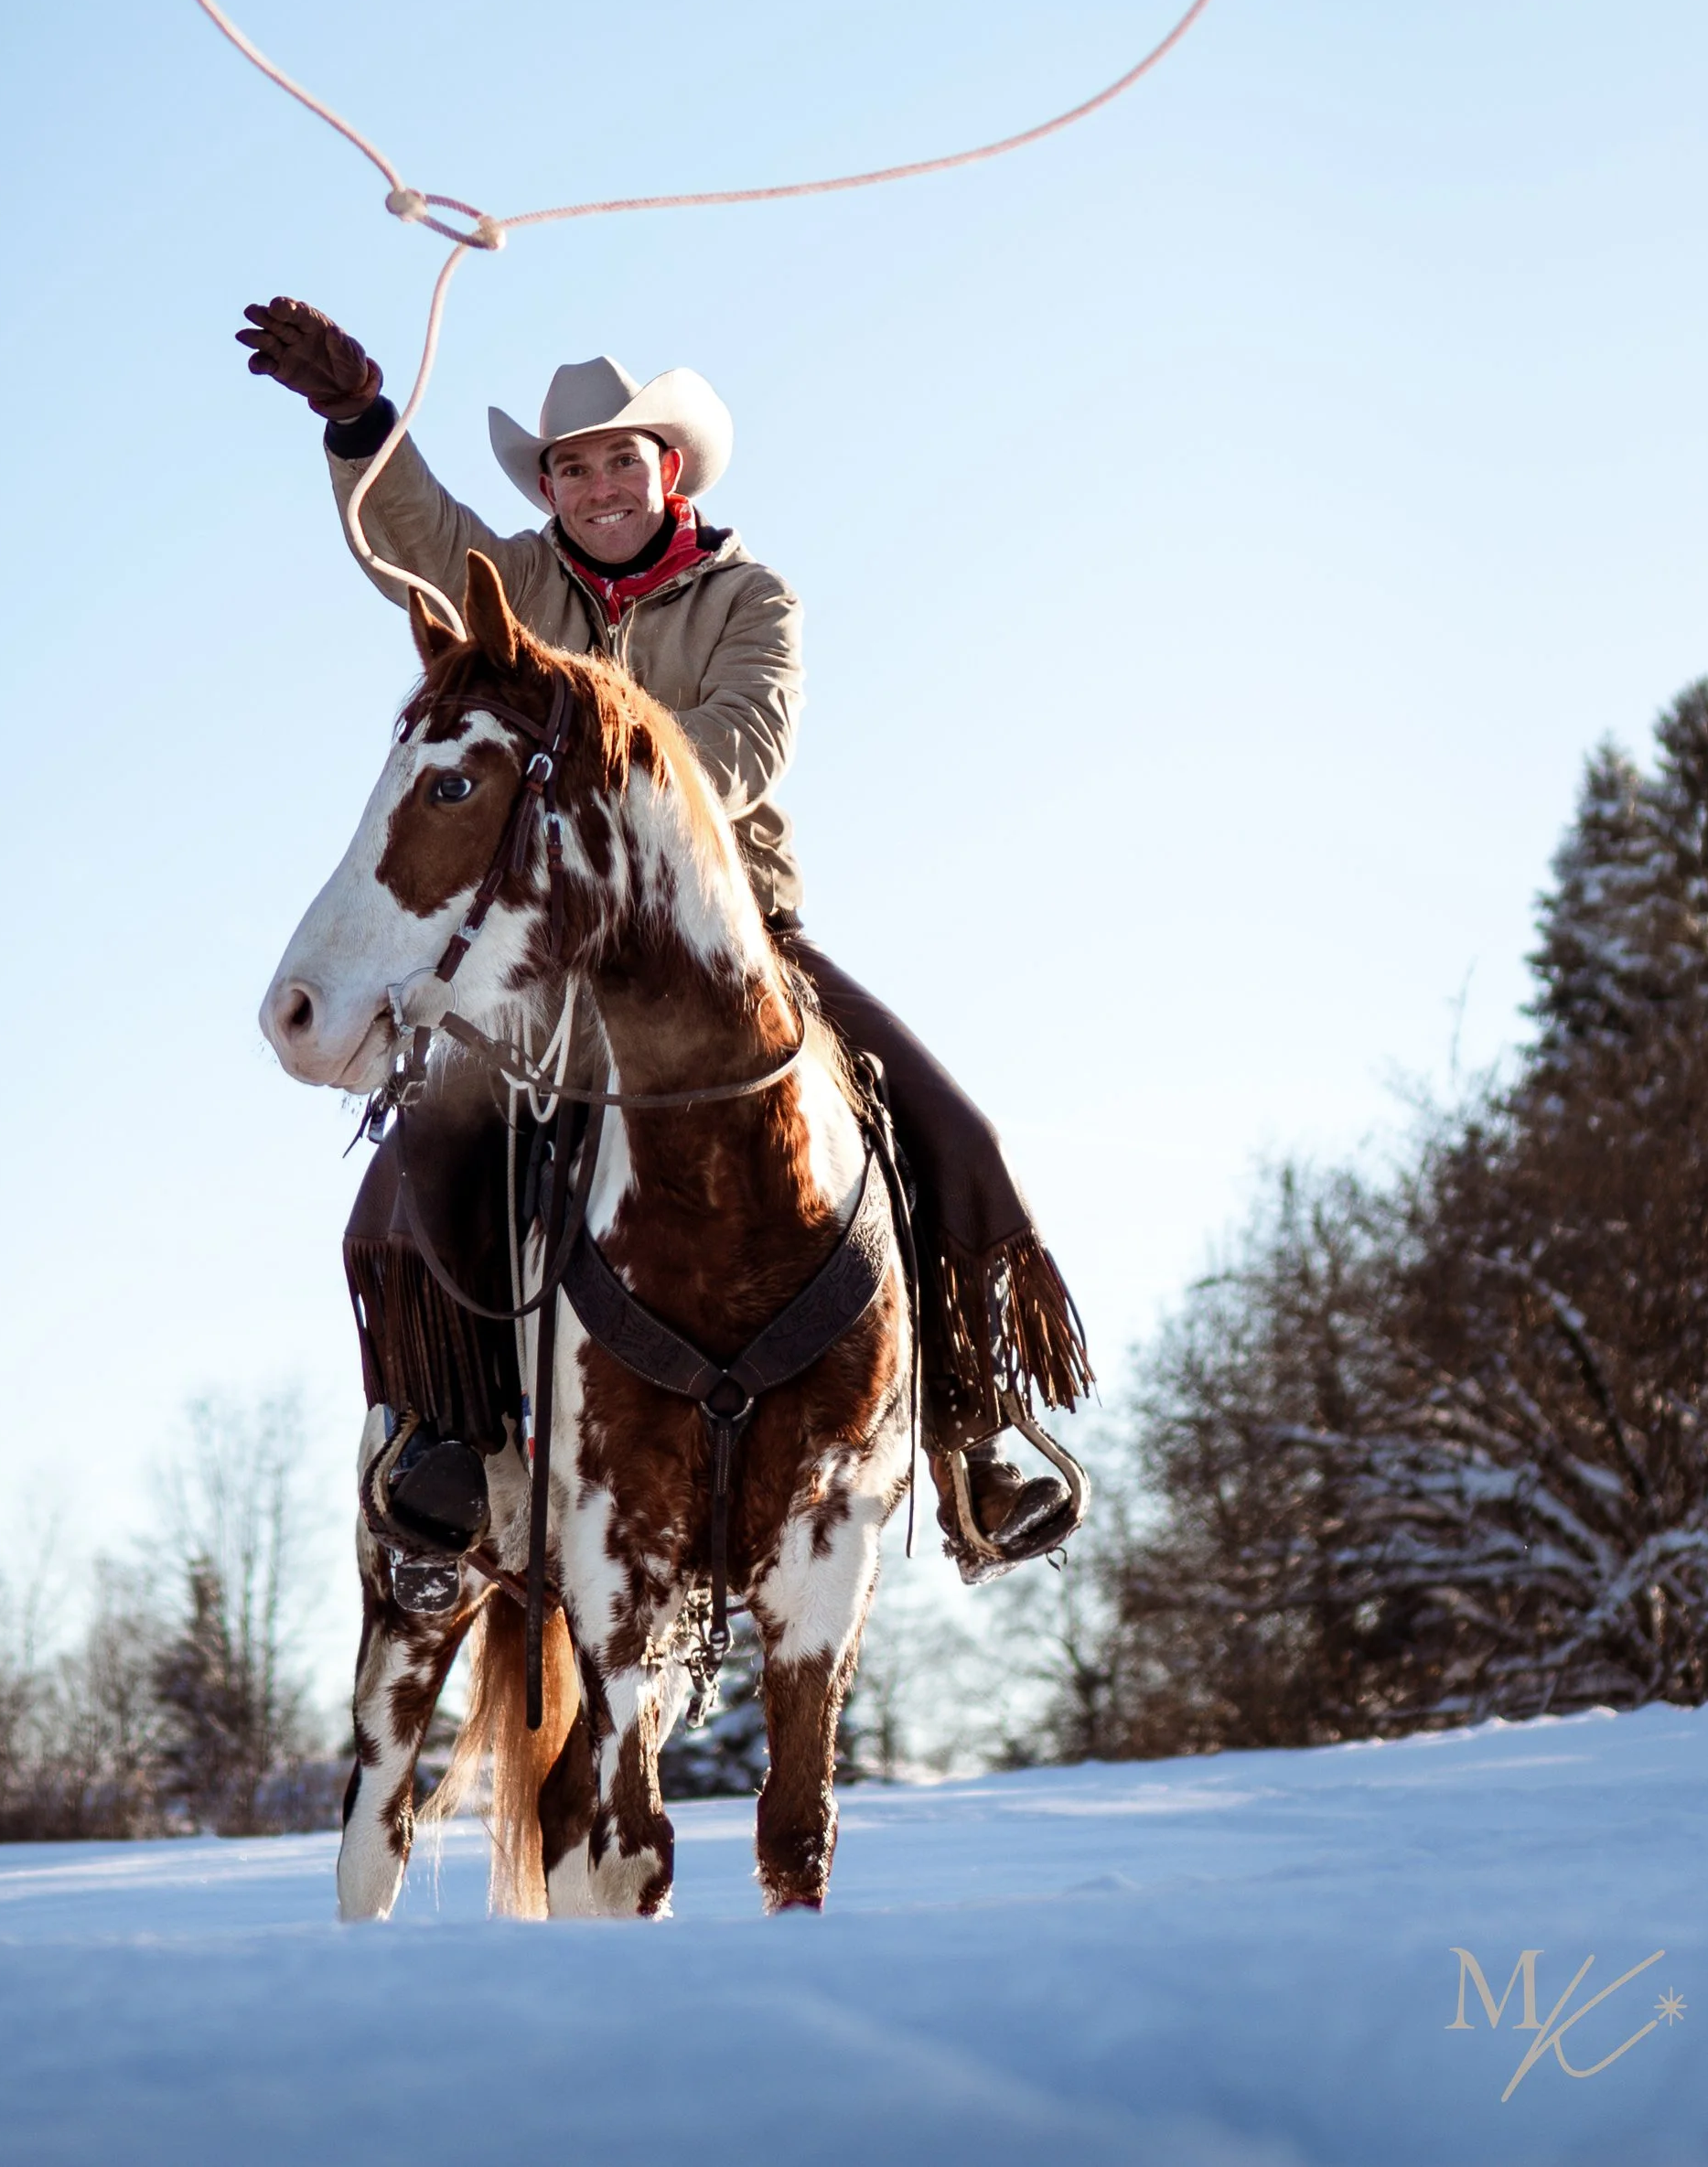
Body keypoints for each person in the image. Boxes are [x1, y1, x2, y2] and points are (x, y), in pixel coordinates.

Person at [238, 295, 1090, 1602]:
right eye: (569, 467)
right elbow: (413, 536)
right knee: (410, 1178)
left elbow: (745, 749)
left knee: (954, 1132)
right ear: (551, 486)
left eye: (618, 460)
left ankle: (976, 1438)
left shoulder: (752, 596)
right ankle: (450, 1447)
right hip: (552, 957)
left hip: (731, 938)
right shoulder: (515, 586)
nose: (594, 485)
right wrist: (360, 418)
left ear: (668, 468)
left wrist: (593, 774)